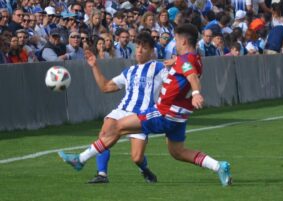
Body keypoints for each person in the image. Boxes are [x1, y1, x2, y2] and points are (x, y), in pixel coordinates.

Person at [59, 24, 232, 187]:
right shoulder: (195, 57)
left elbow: (191, 75)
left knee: (118, 127)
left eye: (177, 40)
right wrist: (175, 62)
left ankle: (80, 160)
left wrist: (196, 93)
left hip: (164, 112)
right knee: (177, 152)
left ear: (184, 41)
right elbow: (188, 66)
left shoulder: (183, 61)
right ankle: (219, 166)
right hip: (180, 115)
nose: (175, 44)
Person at [78, 32, 168, 184]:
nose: (139, 50)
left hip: (141, 115)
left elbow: (174, 85)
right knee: (104, 134)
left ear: (151, 51)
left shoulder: (160, 68)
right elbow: (106, 87)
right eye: (138, 46)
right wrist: (94, 66)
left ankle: (145, 170)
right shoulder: (130, 71)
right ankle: (102, 174)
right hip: (122, 110)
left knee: (136, 157)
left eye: (144, 48)